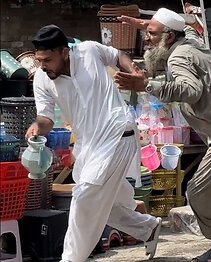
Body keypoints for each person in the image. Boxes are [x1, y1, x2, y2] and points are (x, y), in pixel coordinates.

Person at [114, 8, 211, 262]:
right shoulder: (192, 40)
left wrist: (145, 85)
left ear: (169, 37)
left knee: (198, 193)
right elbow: (190, 23)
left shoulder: (178, 57)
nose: (147, 39)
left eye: (152, 34)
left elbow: (190, 90)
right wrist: (146, 24)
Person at [26, 25, 161, 262]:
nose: (43, 66)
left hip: (118, 133)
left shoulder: (88, 51)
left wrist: (135, 70)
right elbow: (45, 117)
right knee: (102, 205)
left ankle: (70, 259)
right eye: (39, 60)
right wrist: (37, 127)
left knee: (85, 196)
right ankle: (147, 227)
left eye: (48, 59)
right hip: (88, 146)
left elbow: (117, 55)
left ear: (64, 52)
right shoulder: (42, 79)